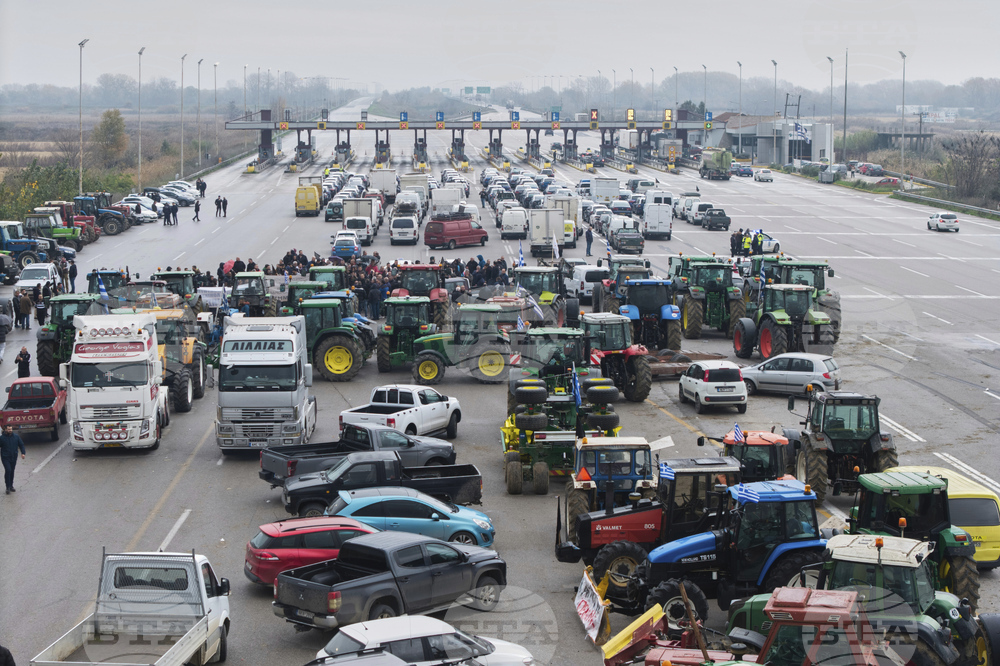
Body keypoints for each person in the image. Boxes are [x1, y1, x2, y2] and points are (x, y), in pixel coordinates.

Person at [1, 424, 25, 494]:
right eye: (8, 429)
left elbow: (21, 445)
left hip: (13, 457)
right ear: (5, 429)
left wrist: (23, 453)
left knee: (12, 471)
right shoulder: (2, 438)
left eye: (11, 429)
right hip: (5, 457)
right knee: (8, 470)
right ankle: (7, 487)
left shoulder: (16, 437)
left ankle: (11, 486)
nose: (10, 430)